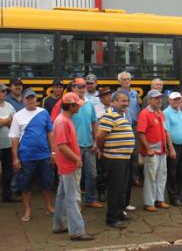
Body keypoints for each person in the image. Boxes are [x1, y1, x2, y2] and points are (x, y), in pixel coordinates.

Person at [52, 92, 94, 241]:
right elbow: (62, 146)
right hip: (69, 165)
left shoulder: (63, 119)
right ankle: (77, 231)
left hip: (65, 165)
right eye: (77, 105)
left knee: (63, 195)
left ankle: (59, 224)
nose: (79, 108)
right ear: (71, 106)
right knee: (73, 198)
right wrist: (77, 159)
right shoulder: (63, 121)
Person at [9, 88, 56, 222]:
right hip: (26, 157)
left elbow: (50, 133)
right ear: (23, 100)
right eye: (27, 98)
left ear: (36, 99)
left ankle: (49, 207)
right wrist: (15, 158)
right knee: (25, 185)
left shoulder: (44, 112)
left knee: (47, 183)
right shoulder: (18, 116)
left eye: (32, 98)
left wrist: (53, 152)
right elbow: (14, 138)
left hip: (44, 156)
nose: (30, 100)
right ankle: (27, 210)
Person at [96, 91, 135, 229]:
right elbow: (100, 137)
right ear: (113, 102)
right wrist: (101, 150)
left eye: (127, 101)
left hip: (124, 158)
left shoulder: (121, 116)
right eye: (122, 101)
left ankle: (119, 213)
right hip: (114, 159)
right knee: (115, 189)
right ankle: (112, 218)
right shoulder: (109, 116)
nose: (125, 103)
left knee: (122, 188)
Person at [68, 79, 103, 208]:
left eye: (83, 86)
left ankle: (90, 199)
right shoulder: (69, 104)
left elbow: (94, 122)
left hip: (89, 145)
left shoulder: (89, 104)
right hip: (74, 146)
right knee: (76, 177)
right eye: (79, 87)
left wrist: (96, 141)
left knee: (92, 174)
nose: (82, 89)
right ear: (73, 88)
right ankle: (76, 204)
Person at [137, 90, 173, 212]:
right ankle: (149, 202)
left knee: (162, 176)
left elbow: (164, 131)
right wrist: (148, 149)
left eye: (160, 98)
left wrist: (166, 147)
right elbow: (141, 133)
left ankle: (160, 200)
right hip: (152, 151)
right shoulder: (144, 113)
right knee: (150, 177)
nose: (159, 100)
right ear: (149, 99)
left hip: (161, 150)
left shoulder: (160, 112)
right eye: (156, 98)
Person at [117, 71, 141, 188]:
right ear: (120, 81)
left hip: (133, 126)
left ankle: (135, 178)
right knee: (124, 153)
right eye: (124, 79)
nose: (126, 81)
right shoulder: (116, 95)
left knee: (134, 154)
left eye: (128, 79)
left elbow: (137, 110)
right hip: (122, 127)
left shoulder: (135, 94)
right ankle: (123, 178)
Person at [164, 92, 182, 207]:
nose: (177, 101)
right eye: (174, 99)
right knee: (172, 172)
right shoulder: (166, 113)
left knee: (181, 171)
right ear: (169, 100)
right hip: (173, 145)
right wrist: (171, 148)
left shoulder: (179, 111)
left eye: (178, 99)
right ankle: (173, 197)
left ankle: (178, 194)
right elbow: (167, 132)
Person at [94, 87, 112, 202]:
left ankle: (110, 190)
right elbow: (94, 127)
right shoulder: (95, 109)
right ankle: (101, 191)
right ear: (101, 98)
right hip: (101, 141)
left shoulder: (113, 109)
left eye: (109, 95)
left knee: (110, 168)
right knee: (100, 168)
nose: (109, 97)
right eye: (106, 96)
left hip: (111, 141)